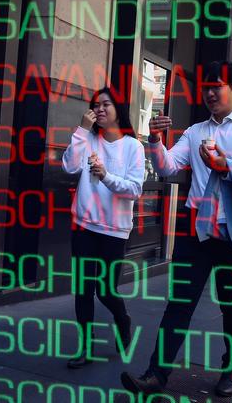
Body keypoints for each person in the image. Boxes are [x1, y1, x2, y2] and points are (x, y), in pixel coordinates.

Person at [120, 61, 232, 396]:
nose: (209, 93)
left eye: (216, 86)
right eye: (206, 87)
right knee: (179, 302)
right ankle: (155, 375)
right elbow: (166, 167)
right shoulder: (195, 132)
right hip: (196, 230)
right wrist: (155, 139)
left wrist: (227, 165)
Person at [62, 87, 145, 368]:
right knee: (84, 289)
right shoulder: (87, 139)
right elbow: (69, 167)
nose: (99, 109)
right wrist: (81, 131)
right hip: (84, 226)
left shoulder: (133, 146)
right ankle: (85, 346)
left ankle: (123, 320)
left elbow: (134, 189)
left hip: (114, 230)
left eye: (106, 104)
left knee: (107, 290)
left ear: (117, 109)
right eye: (95, 105)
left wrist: (107, 176)